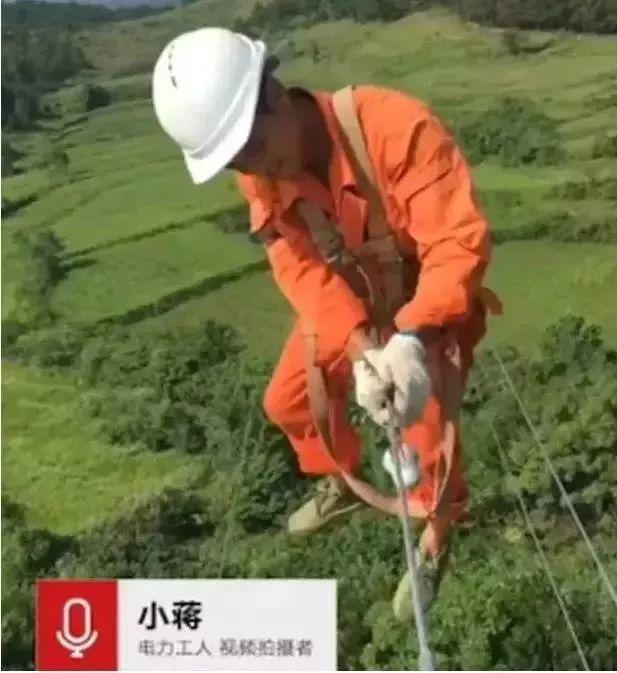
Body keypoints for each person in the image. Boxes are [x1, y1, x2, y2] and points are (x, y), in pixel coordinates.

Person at [151, 27, 501, 620]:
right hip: (353, 301)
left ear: (275, 93)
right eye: (236, 158)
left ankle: (438, 529)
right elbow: (296, 262)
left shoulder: (393, 127)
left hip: (427, 299)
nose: (255, 166)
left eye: (253, 145)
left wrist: (412, 339)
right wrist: (362, 344)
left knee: (424, 429)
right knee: (289, 403)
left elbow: (456, 242)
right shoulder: (257, 174)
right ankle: (339, 477)